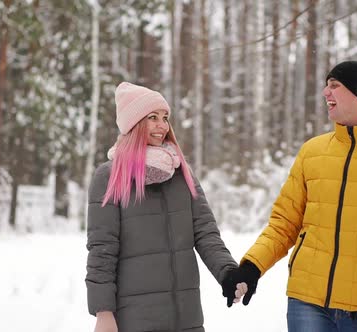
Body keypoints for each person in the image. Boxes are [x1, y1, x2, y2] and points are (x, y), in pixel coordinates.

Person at [222, 61, 357, 332]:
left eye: (334, 86)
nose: (325, 93)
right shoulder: (313, 151)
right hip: (306, 301)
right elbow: (284, 223)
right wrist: (251, 266)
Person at [86, 82, 243, 332]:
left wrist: (228, 272)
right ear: (133, 123)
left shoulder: (182, 174)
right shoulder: (110, 176)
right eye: (152, 118)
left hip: (186, 318)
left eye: (165, 118)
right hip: (135, 320)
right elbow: (102, 250)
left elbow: (206, 233)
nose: (162, 125)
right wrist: (103, 312)